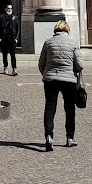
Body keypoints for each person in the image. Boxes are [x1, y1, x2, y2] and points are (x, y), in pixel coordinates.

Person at [37, 20, 83, 151]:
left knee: (50, 108)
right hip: (68, 80)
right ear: (67, 30)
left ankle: (49, 137)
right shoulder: (73, 43)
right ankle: (70, 137)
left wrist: (46, 73)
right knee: (69, 109)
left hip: (50, 79)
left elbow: (41, 63)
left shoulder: (48, 42)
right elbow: (80, 65)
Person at [0, 3, 21, 76]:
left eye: (10, 8)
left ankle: (14, 68)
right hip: (4, 38)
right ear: (5, 9)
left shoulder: (15, 18)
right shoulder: (1, 17)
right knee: (4, 54)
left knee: (13, 55)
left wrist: (16, 38)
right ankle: (5, 67)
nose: (9, 10)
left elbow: (17, 29)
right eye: (8, 8)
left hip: (12, 39)